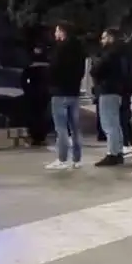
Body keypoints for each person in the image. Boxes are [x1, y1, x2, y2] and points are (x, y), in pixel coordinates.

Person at [43, 22, 86, 170]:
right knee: (75, 127)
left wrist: (50, 82)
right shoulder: (79, 50)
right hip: (73, 92)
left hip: (60, 92)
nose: (55, 34)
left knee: (61, 128)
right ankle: (77, 159)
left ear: (62, 32)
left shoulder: (60, 50)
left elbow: (53, 69)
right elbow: (81, 71)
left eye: (57, 31)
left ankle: (62, 159)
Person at [90, 27, 129, 167]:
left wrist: (95, 68)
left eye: (104, 37)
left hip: (108, 90)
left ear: (111, 38)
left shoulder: (110, 54)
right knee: (115, 123)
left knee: (108, 124)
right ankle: (118, 152)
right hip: (116, 91)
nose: (102, 40)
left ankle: (112, 153)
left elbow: (96, 70)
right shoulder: (121, 53)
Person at [20, 45, 51, 146]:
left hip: (33, 93)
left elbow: (23, 80)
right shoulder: (48, 65)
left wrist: (27, 90)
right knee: (43, 115)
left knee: (34, 115)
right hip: (45, 93)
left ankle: (35, 136)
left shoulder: (30, 66)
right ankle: (41, 136)